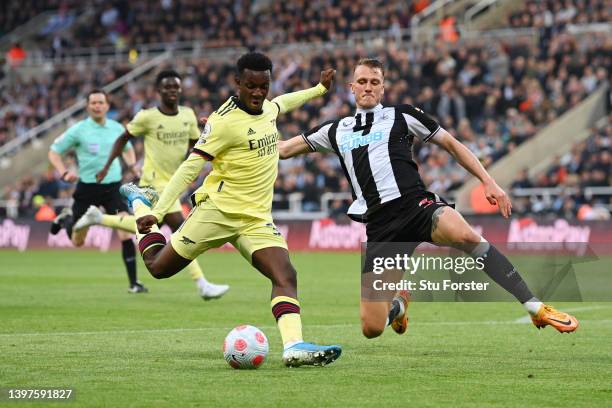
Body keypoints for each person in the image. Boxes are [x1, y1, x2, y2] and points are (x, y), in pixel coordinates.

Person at [278, 58, 579, 338]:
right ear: (351, 87)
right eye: (362, 81)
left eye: (374, 81)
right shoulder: (335, 130)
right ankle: (398, 305)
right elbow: (282, 149)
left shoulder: (402, 115)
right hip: (382, 228)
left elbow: (451, 143)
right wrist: (253, 126)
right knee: (372, 328)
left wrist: (488, 181)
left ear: (383, 87)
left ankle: (535, 307)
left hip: (417, 206)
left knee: (467, 236)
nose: (368, 87)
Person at [122, 52, 342, 367]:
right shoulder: (222, 123)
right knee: (158, 268)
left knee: (285, 274)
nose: (257, 93)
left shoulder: (267, 107)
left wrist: (319, 90)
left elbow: (283, 103)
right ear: (237, 82)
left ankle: (293, 346)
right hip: (216, 212)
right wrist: (156, 213)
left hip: (255, 219)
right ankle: (138, 200)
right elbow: (189, 168)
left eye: (263, 86)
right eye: (250, 86)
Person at [75, 70, 229, 300]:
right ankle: (202, 284)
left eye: (175, 87)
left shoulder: (187, 115)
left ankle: (99, 218)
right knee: (182, 231)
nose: (172, 91)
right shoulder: (147, 117)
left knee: (154, 227)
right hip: (152, 184)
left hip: (174, 183)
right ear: (158, 91)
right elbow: (123, 138)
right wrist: (107, 166)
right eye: (167, 87)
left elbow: (195, 145)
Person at [48, 89, 146, 293]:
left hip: (113, 188)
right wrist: (64, 173)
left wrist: (132, 165)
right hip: (87, 189)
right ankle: (66, 219)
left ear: (107, 106)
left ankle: (134, 283)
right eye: (93, 103)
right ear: (88, 106)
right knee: (77, 242)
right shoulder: (78, 130)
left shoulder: (117, 127)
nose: (97, 106)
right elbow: (53, 152)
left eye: (101, 102)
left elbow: (127, 149)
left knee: (126, 232)